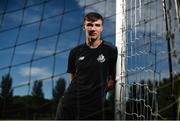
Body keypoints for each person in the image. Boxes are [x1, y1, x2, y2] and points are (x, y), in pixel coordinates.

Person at [55, 12, 117, 120]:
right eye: (89, 25)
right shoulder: (75, 52)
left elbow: (111, 82)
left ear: (101, 28)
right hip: (70, 104)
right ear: (84, 27)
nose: (93, 28)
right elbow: (73, 79)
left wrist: (98, 91)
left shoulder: (111, 50)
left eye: (97, 25)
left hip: (95, 107)